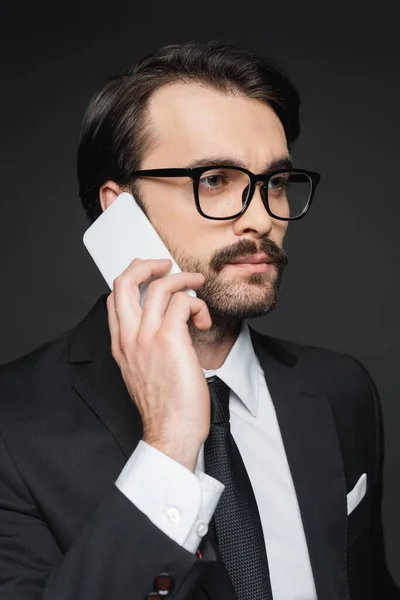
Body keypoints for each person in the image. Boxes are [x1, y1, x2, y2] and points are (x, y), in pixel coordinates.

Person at [0, 40, 398, 600]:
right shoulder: (11, 425)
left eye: (276, 183)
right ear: (121, 211)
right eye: (214, 180)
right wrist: (168, 446)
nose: (261, 218)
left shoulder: (340, 390)